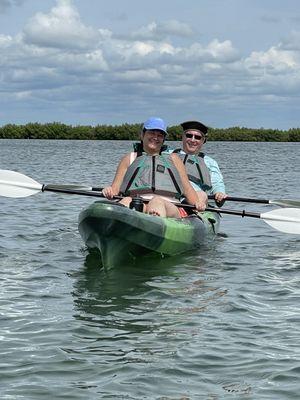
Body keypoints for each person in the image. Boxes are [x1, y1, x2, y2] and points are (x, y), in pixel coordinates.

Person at [102, 117, 208, 217]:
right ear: (142, 135)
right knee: (126, 201)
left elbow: (187, 188)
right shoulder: (129, 158)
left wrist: (198, 203)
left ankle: (155, 224)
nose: (155, 137)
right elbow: (115, 190)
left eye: (160, 135)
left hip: (170, 206)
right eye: (151, 132)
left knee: (156, 202)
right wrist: (108, 190)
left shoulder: (174, 159)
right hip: (137, 202)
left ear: (163, 139)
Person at [172, 120, 227, 205]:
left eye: (197, 137)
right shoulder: (168, 154)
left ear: (203, 140)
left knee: (202, 195)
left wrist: (219, 192)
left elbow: (216, 182)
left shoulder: (209, 162)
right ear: (182, 137)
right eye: (189, 136)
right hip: (171, 197)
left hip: (197, 198)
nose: (193, 140)